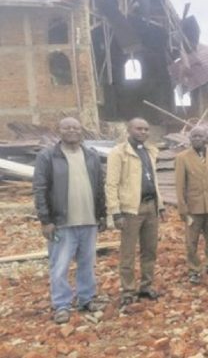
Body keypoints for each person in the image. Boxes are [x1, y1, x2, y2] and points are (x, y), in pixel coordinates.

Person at [33, 117, 106, 324]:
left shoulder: (91, 156)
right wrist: (45, 220)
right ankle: (62, 305)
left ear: (81, 131)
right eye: (67, 127)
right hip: (61, 222)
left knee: (87, 263)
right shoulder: (48, 156)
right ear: (59, 130)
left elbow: (99, 187)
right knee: (60, 265)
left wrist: (101, 214)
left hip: (88, 221)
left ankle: (86, 299)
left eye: (76, 127)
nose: (72, 130)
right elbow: (40, 189)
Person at [107, 118, 166, 306]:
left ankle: (146, 285)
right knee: (128, 252)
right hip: (131, 209)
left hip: (150, 206)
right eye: (139, 129)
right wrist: (115, 212)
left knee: (150, 250)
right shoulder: (119, 153)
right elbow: (111, 184)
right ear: (129, 130)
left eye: (146, 129)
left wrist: (160, 205)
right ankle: (128, 289)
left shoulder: (150, 151)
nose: (143, 132)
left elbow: (153, 180)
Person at [175, 126, 208, 285]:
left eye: (200, 136)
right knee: (191, 241)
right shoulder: (182, 157)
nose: (197, 139)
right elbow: (180, 185)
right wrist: (182, 207)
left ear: (206, 139)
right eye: (194, 136)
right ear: (190, 139)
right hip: (193, 207)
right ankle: (194, 269)